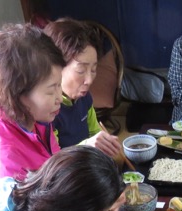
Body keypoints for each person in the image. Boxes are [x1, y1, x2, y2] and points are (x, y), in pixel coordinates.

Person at [0, 23, 65, 185]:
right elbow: (26, 209)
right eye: (51, 90)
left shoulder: (33, 116)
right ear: (18, 93)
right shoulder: (3, 160)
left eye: (59, 85)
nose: (60, 98)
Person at [43, 18, 123, 157]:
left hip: (84, 166)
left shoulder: (84, 98)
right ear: (55, 68)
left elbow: (94, 132)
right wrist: (87, 146)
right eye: (81, 71)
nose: (90, 80)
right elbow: (52, 161)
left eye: (93, 69)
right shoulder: (47, 112)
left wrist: (104, 142)